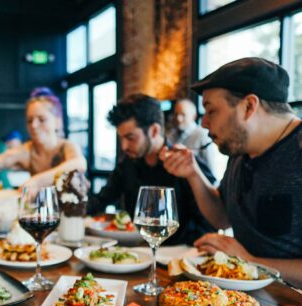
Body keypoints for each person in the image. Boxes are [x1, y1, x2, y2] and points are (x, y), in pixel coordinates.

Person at [160, 57, 302, 285]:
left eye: (210, 110)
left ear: (249, 106)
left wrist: (249, 261)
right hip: (248, 296)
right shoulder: (240, 150)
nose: (204, 123)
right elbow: (222, 217)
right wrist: (193, 173)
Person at [88, 93, 216, 246]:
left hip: (177, 257)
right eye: (121, 138)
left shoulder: (185, 164)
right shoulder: (127, 164)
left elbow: (210, 224)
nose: (124, 146)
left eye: (130, 137)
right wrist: (71, 205)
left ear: (154, 131)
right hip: (136, 253)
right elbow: (101, 200)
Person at [166, 98, 226, 180]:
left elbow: (211, 170)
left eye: (183, 115)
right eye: (176, 114)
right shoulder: (170, 135)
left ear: (193, 116)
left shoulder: (202, 135)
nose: (178, 118)